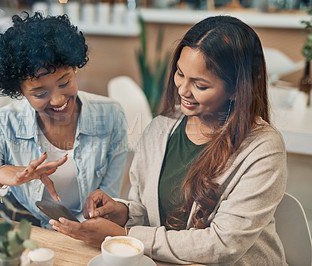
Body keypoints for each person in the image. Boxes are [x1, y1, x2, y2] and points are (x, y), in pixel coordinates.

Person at [50, 15, 287, 265]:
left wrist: (124, 235)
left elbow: (223, 245)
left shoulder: (263, 149)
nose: (183, 90)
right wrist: (122, 212)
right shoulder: (161, 128)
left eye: (200, 85)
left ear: (236, 90)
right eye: (180, 73)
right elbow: (148, 211)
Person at [0, 13, 128, 228]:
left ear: (75, 68)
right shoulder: (2, 126)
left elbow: (110, 196)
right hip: (27, 224)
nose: (58, 99)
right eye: (40, 93)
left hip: (84, 228)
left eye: (65, 82)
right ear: (19, 91)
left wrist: (97, 213)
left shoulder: (111, 115)